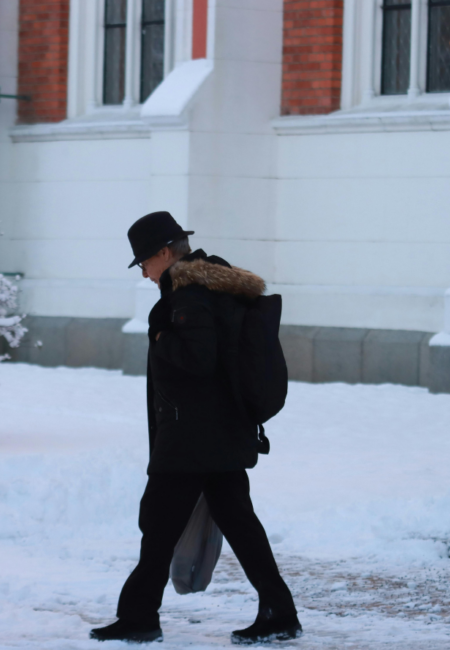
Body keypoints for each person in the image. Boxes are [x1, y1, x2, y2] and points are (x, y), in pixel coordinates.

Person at [90, 211, 301, 645]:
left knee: (159, 523)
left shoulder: (187, 295)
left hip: (192, 437)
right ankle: (279, 611)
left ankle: (139, 617)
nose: (145, 273)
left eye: (145, 262)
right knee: (238, 523)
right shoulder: (216, 288)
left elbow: (198, 360)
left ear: (165, 253)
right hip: (219, 433)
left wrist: (163, 341)